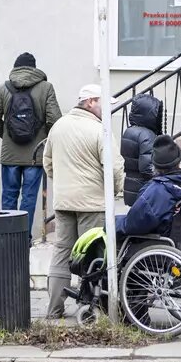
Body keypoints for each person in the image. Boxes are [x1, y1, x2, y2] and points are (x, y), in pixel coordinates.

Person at [42, 84, 124, 319]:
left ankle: (54, 309)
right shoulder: (100, 130)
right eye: (104, 104)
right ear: (90, 102)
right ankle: (91, 309)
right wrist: (116, 191)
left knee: (62, 252)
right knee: (92, 257)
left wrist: (63, 184)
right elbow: (115, 167)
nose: (107, 110)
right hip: (92, 203)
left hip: (64, 202)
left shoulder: (58, 126)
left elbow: (48, 163)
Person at [0, 52, 62, 239]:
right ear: (34, 68)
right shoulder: (46, 88)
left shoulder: (3, 88)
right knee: (28, 199)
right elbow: (55, 119)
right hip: (35, 155)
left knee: (9, 196)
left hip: (10, 156)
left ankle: (7, 237)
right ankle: (23, 239)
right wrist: (44, 140)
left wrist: (6, 135)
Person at [120, 93, 163, 206]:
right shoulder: (147, 135)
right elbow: (147, 168)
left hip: (130, 184)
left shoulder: (129, 131)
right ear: (150, 114)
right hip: (144, 189)